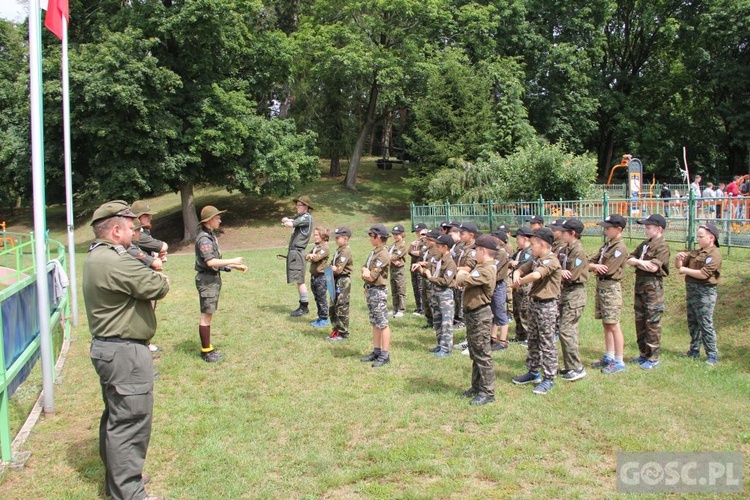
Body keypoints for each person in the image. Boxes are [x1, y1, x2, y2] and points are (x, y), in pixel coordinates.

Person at [83, 200, 170, 500]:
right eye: (132, 228)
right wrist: (158, 276)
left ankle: (120, 480)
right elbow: (158, 286)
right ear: (116, 230)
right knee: (130, 423)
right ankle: (129, 492)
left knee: (117, 417)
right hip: (125, 352)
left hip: (111, 349)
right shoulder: (114, 260)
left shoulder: (99, 257)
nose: (135, 234)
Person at [511, 228, 562, 395]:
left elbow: (536, 276)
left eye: (533, 244)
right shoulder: (536, 259)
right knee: (532, 339)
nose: (531, 247)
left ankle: (549, 378)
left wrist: (520, 282)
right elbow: (521, 269)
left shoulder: (551, 260)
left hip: (546, 305)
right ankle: (533, 371)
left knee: (546, 342)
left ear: (542, 244)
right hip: (534, 304)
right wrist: (516, 275)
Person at [194, 206, 248, 362]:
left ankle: (207, 348)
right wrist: (233, 260)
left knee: (208, 314)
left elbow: (215, 262)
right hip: (207, 280)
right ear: (210, 220)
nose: (220, 220)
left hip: (211, 279)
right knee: (206, 315)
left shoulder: (209, 236)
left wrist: (233, 267)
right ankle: (206, 351)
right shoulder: (204, 238)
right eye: (217, 217)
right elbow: (210, 261)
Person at [456, 234, 498, 405]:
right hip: (473, 314)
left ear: (483, 251)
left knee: (482, 353)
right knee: (475, 352)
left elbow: (462, 279)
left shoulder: (487, 269)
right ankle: (477, 386)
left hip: (480, 314)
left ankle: (488, 392)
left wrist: (462, 274)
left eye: (477, 251)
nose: (475, 254)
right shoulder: (481, 266)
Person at [626, 214, 670, 370]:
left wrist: (637, 262)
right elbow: (629, 258)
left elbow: (654, 267)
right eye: (645, 227)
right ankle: (643, 353)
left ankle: (653, 357)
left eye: (648, 228)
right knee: (640, 320)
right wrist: (640, 262)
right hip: (640, 285)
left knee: (652, 321)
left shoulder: (662, 247)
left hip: (653, 287)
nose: (645, 230)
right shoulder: (645, 245)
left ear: (659, 229)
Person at [675, 223, 723, 366]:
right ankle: (694, 350)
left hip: (705, 293)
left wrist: (685, 270)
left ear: (711, 238)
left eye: (701, 236)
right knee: (693, 322)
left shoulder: (714, 254)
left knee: (705, 324)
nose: (698, 239)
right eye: (698, 236)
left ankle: (712, 355)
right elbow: (679, 265)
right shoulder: (697, 252)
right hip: (692, 291)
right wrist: (679, 259)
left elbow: (703, 274)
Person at [589, 214, 629, 374]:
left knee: (613, 324)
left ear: (618, 229)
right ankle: (609, 355)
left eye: (608, 228)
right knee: (606, 323)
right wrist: (594, 266)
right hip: (602, 285)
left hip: (611, 287)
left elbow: (608, 268)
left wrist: (594, 266)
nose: (605, 231)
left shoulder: (619, 248)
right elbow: (592, 261)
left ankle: (619, 360)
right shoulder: (608, 245)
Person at [557, 218, 588, 381]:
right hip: (566, 293)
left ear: (573, 233)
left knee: (566, 330)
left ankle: (576, 368)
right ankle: (571, 366)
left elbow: (572, 275)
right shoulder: (565, 248)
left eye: (564, 232)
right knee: (569, 330)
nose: (561, 234)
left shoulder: (578, 252)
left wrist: (559, 272)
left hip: (575, 294)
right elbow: (556, 264)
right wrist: (560, 271)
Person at [359, 225, 393, 367]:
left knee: (382, 323)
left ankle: (385, 355)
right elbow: (363, 268)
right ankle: (377, 351)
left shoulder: (383, 254)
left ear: (378, 237)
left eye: (371, 235)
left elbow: (371, 276)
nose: (369, 238)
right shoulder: (375, 252)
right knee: (375, 322)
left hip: (378, 291)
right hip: (371, 290)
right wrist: (365, 271)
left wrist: (366, 272)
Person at [422, 234, 457, 357]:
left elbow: (446, 281)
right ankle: (439, 344)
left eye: (439, 246)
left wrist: (431, 277)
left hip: (445, 294)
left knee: (446, 321)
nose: (436, 248)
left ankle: (446, 348)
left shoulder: (450, 263)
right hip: (436, 292)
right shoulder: (440, 259)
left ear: (445, 247)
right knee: (437, 319)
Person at [282, 195, 314, 316]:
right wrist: (287, 220)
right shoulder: (301, 217)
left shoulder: (306, 217)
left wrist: (288, 222)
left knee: (300, 280)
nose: (297, 207)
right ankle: (303, 305)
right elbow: (286, 219)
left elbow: (290, 223)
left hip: (298, 251)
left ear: (306, 207)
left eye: (299, 205)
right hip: (295, 252)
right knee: (298, 280)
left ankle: (304, 306)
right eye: (297, 205)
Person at [327, 227, 353, 342]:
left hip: (343, 280)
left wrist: (333, 268)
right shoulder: (339, 250)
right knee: (334, 305)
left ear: (346, 238)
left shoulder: (345, 251)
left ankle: (343, 332)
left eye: (338, 238)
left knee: (341, 306)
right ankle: (336, 329)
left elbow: (338, 269)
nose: (335, 240)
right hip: (335, 280)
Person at [509, 227, 534, 344]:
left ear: (525, 239)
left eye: (518, 239)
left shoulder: (529, 252)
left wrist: (516, 264)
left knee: (524, 311)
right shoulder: (520, 251)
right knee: (517, 311)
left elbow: (524, 267)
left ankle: (528, 337)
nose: (516, 241)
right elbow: (510, 260)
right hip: (517, 285)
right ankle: (520, 335)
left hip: (525, 285)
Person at [454, 222, 479, 329]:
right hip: (458, 277)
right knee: (458, 299)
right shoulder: (461, 246)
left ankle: (463, 321)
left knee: (465, 300)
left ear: (471, 235)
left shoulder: (473, 249)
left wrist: (452, 269)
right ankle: (458, 318)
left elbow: (468, 268)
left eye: (462, 233)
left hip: (467, 279)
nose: (460, 235)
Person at [488, 229, 510, 352]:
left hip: (498, 285)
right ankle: (493, 336)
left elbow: (493, 268)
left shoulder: (501, 253)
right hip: (492, 284)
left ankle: (503, 341)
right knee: (493, 312)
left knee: (500, 312)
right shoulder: (495, 252)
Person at [306, 227, 331, 328]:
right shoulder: (316, 247)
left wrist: (311, 256)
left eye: (317, 235)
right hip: (314, 276)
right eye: (315, 235)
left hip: (321, 277)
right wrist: (310, 255)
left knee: (321, 298)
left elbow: (316, 258)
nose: (315, 237)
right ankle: (320, 316)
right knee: (317, 297)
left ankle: (324, 318)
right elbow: (306, 256)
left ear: (323, 236)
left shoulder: (325, 248)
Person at [388, 224, 408, 318]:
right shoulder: (393, 245)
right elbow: (388, 255)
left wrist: (390, 258)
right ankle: (395, 308)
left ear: (402, 234)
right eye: (394, 234)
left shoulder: (402, 245)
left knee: (401, 289)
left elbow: (396, 256)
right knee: (394, 289)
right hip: (392, 268)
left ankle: (401, 309)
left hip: (399, 270)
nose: (395, 236)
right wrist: (391, 259)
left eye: (397, 234)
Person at [408, 223, 428, 314]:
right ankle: (418, 307)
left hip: (422, 267)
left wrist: (413, 251)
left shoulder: (426, 242)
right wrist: (411, 247)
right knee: (415, 287)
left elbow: (421, 253)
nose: (418, 234)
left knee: (421, 288)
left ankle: (423, 308)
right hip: (414, 266)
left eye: (419, 232)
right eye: (416, 232)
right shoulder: (417, 242)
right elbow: (410, 252)